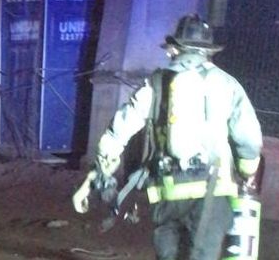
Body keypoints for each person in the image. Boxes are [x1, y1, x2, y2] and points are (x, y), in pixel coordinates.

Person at [72, 14, 262, 260]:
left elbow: (120, 128)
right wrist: (247, 171)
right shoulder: (227, 84)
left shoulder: (156, 83)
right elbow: (248, 139)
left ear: (175, 49)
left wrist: (101, 170)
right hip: (212, 193)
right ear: (208, 51)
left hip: (167, 193)